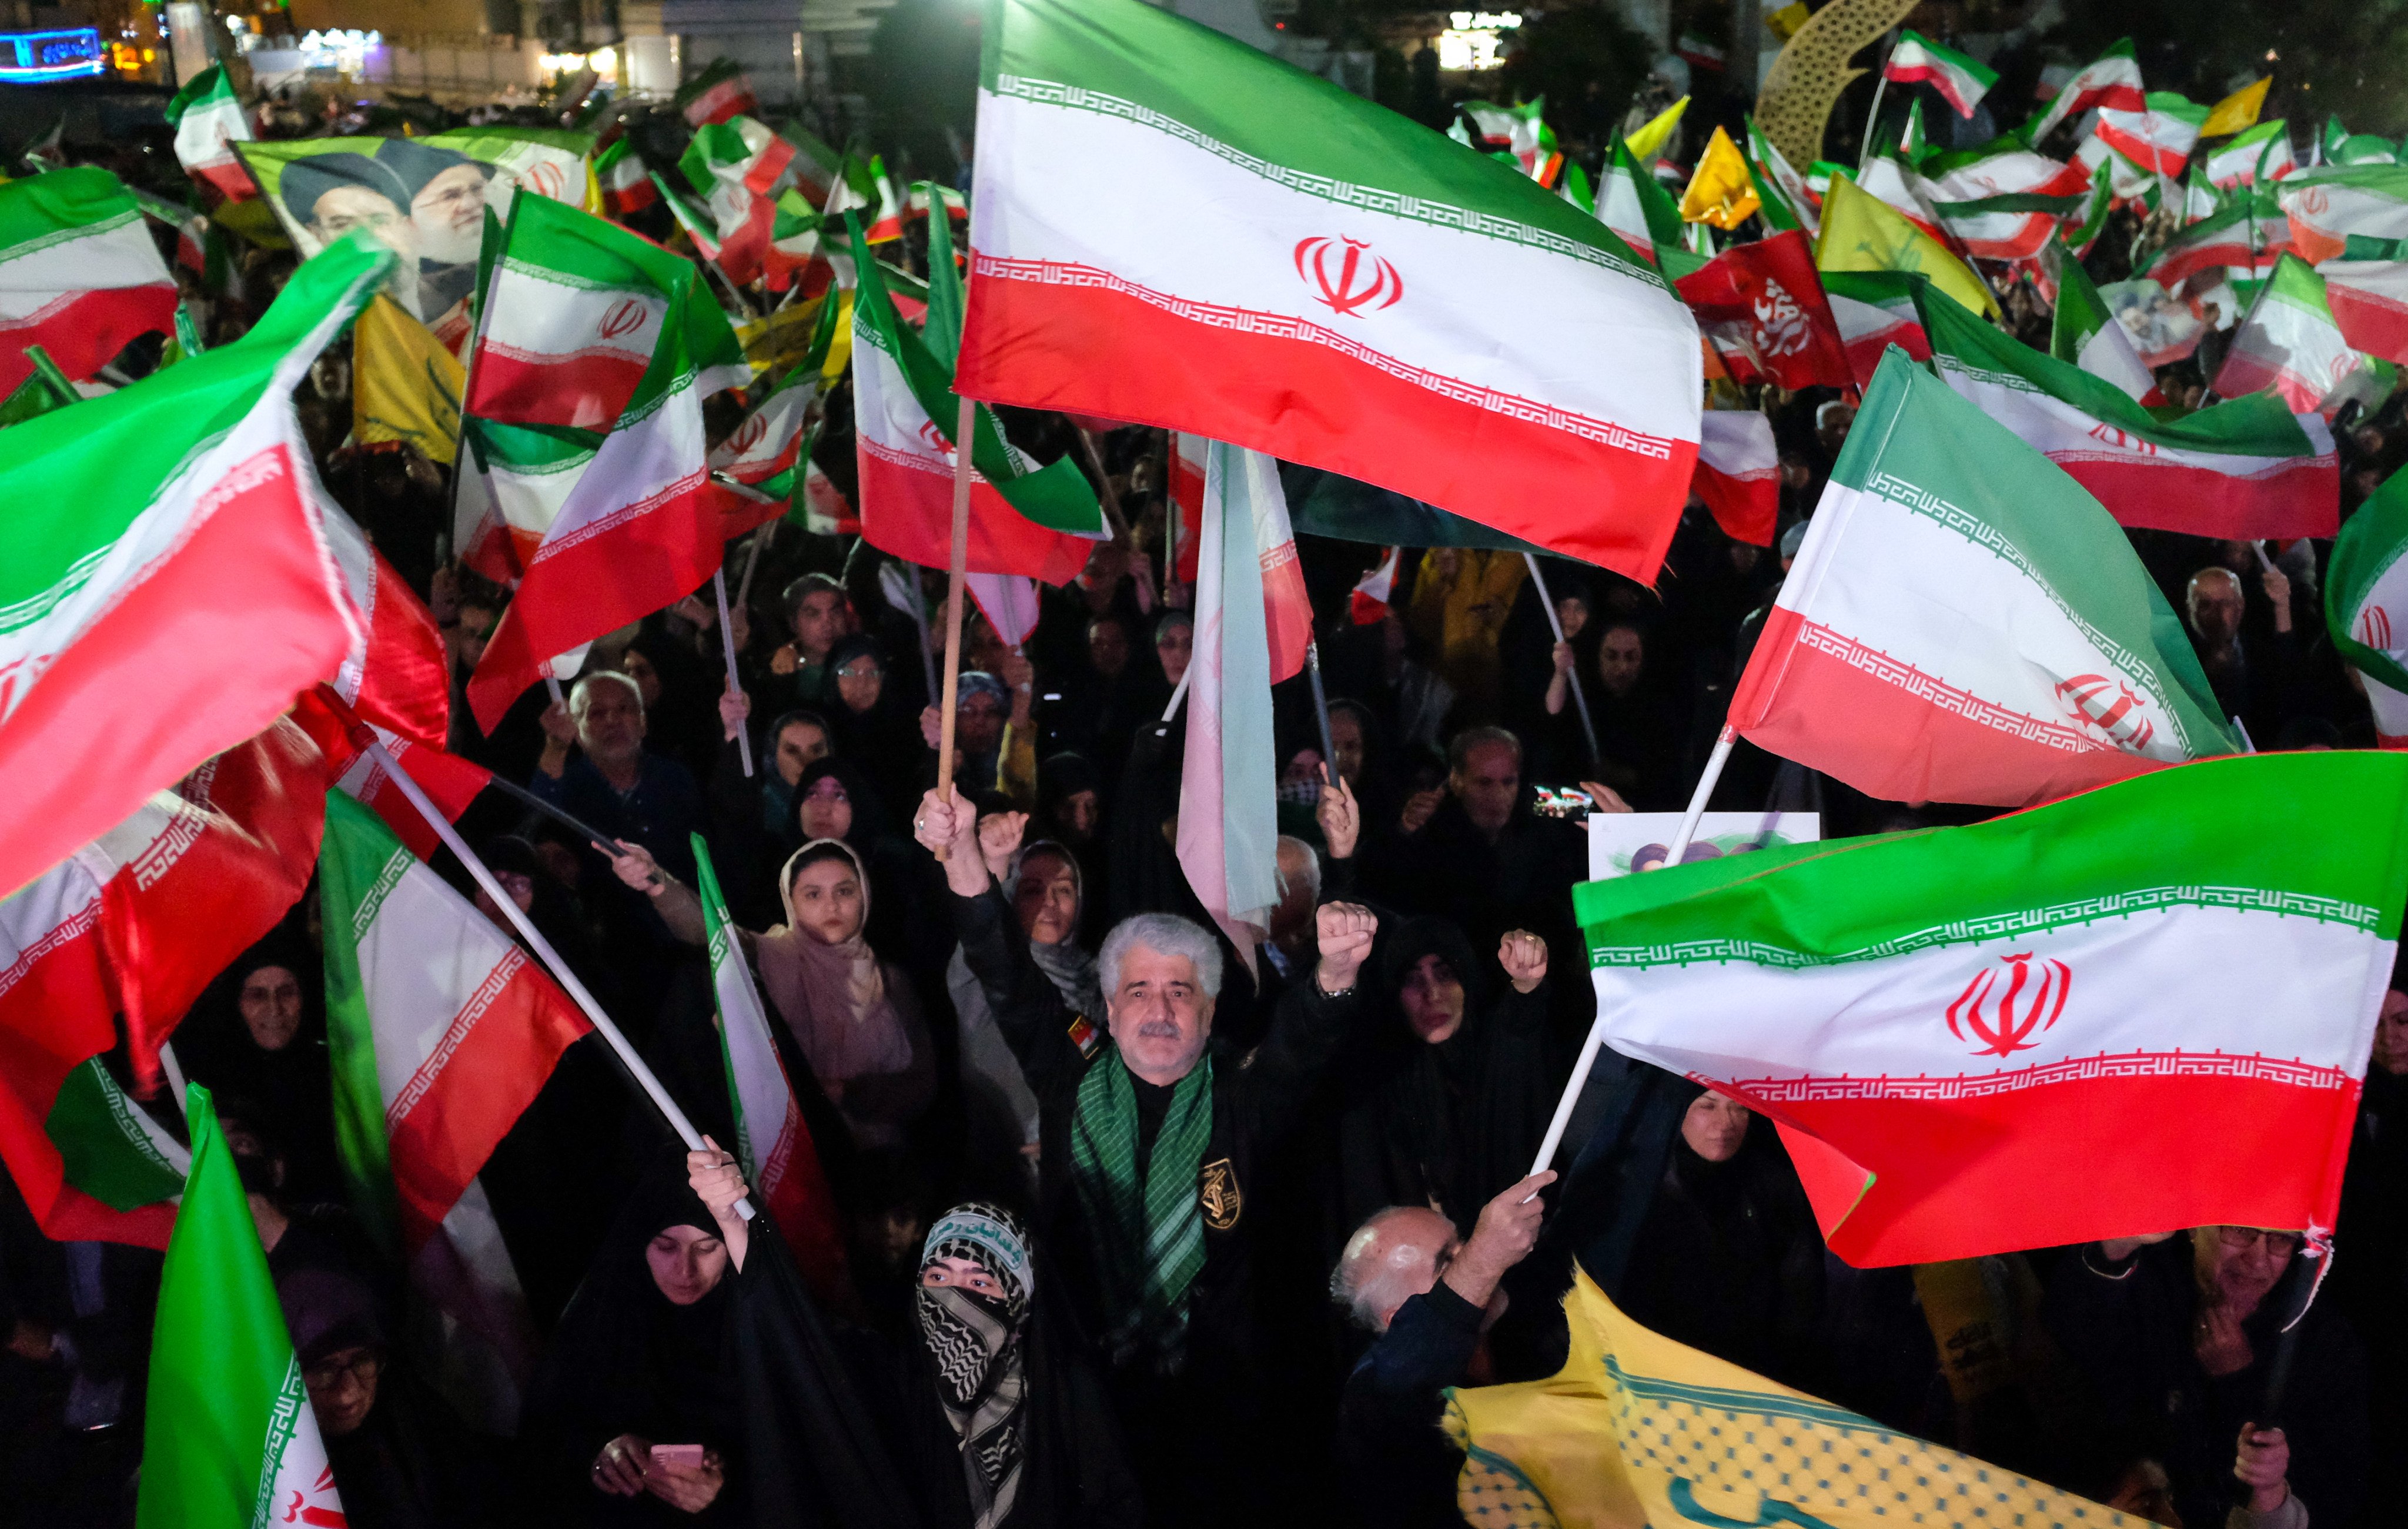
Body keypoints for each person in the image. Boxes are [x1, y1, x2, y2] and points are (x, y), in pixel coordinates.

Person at [915, 783, 1376, 1524]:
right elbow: (1003, 972)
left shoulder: (1238, 1094)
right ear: (1109, 1003)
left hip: (1219, 1401)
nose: (1158, 1011)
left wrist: (1338, 972)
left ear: (1209, 1008)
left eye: (1178, 992)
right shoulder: (1071, 1067)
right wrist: (964, 851)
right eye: (1138, 991)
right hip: (1085, 1385)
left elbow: (1302, 1045)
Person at [688, 1147, 1145, 1528]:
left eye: (981, 1284)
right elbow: (801, 1348)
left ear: (1021, 1304)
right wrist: (735, 1222)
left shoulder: (1069, 1392)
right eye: (939, 1275)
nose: (954, 1302)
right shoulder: (892, 1378)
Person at [2042, 1227, 2369, 1529]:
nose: (2257, 1259)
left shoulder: (2321, 1339)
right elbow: (2069, 1335)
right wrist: (2116, 1243)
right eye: (2241, 1231)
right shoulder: (2151, 1276)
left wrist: (2237, 1382)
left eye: (2281, 1240)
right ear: (2195, 1231)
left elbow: (2333, 1487)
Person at [1329, 1172, 1554, 1529]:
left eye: (1465, 1242)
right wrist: (1483, 1259)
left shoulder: (1526, 1327)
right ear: (1399, 1317)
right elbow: (1411, 1362)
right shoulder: (1373, 1399)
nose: (1469, 1253)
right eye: (1448, 1262)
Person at [521, 1169, 745, 1524]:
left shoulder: (756, 1331)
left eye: (706, 1247)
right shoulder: (603, 1321)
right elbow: (543, 1438)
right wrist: (602, 1454)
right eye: (665, 1246)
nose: (685, 1271)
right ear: (639, 1244)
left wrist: (727, 1483)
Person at [1328, 920, 1556, 1246]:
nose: (1432, 994)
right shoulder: (1375, 1086)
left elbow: (1519, 1032)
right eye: (1412, 979)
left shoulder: (1488, 1056)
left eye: (1445, 974)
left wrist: (1527, 983)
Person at [283, 1266, 496, 1529]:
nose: (348, 1392)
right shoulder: (276, 1465)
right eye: (324, 1370)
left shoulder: (419, 1418)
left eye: (361, 1362)